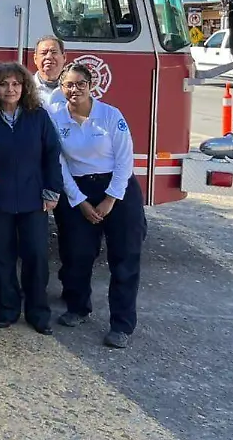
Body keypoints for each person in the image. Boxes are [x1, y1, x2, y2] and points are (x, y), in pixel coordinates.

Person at [51, 63, 147, 349]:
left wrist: (109, 199)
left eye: (81, 84)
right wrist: (79, 201)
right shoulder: (55, 117)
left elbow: (124, 161)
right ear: (61, 88)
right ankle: (78, 308)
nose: (74, 90)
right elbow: (60, 164)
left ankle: (122, 325)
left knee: (124, 258)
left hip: (117, 190)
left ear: (91, 86)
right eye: (68, 84)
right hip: (79, 188)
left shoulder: (110, 115)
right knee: (76, 254)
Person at [0, 61, 64, 335]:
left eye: (16, 83)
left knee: (36, 257)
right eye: (4, 84)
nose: (10, 89)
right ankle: (7, 309)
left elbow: (52, 154)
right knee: (1, 258)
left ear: (25, 86)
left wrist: (52, 191)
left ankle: (38, 313)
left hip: (33, 200)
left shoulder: (37, 116)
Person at [32, 35, 67, 108]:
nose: (49, 57)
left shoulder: (75, 88)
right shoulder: (25, 88)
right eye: (43, 53)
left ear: (64, 57)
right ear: (35, 59)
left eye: (54, 52)